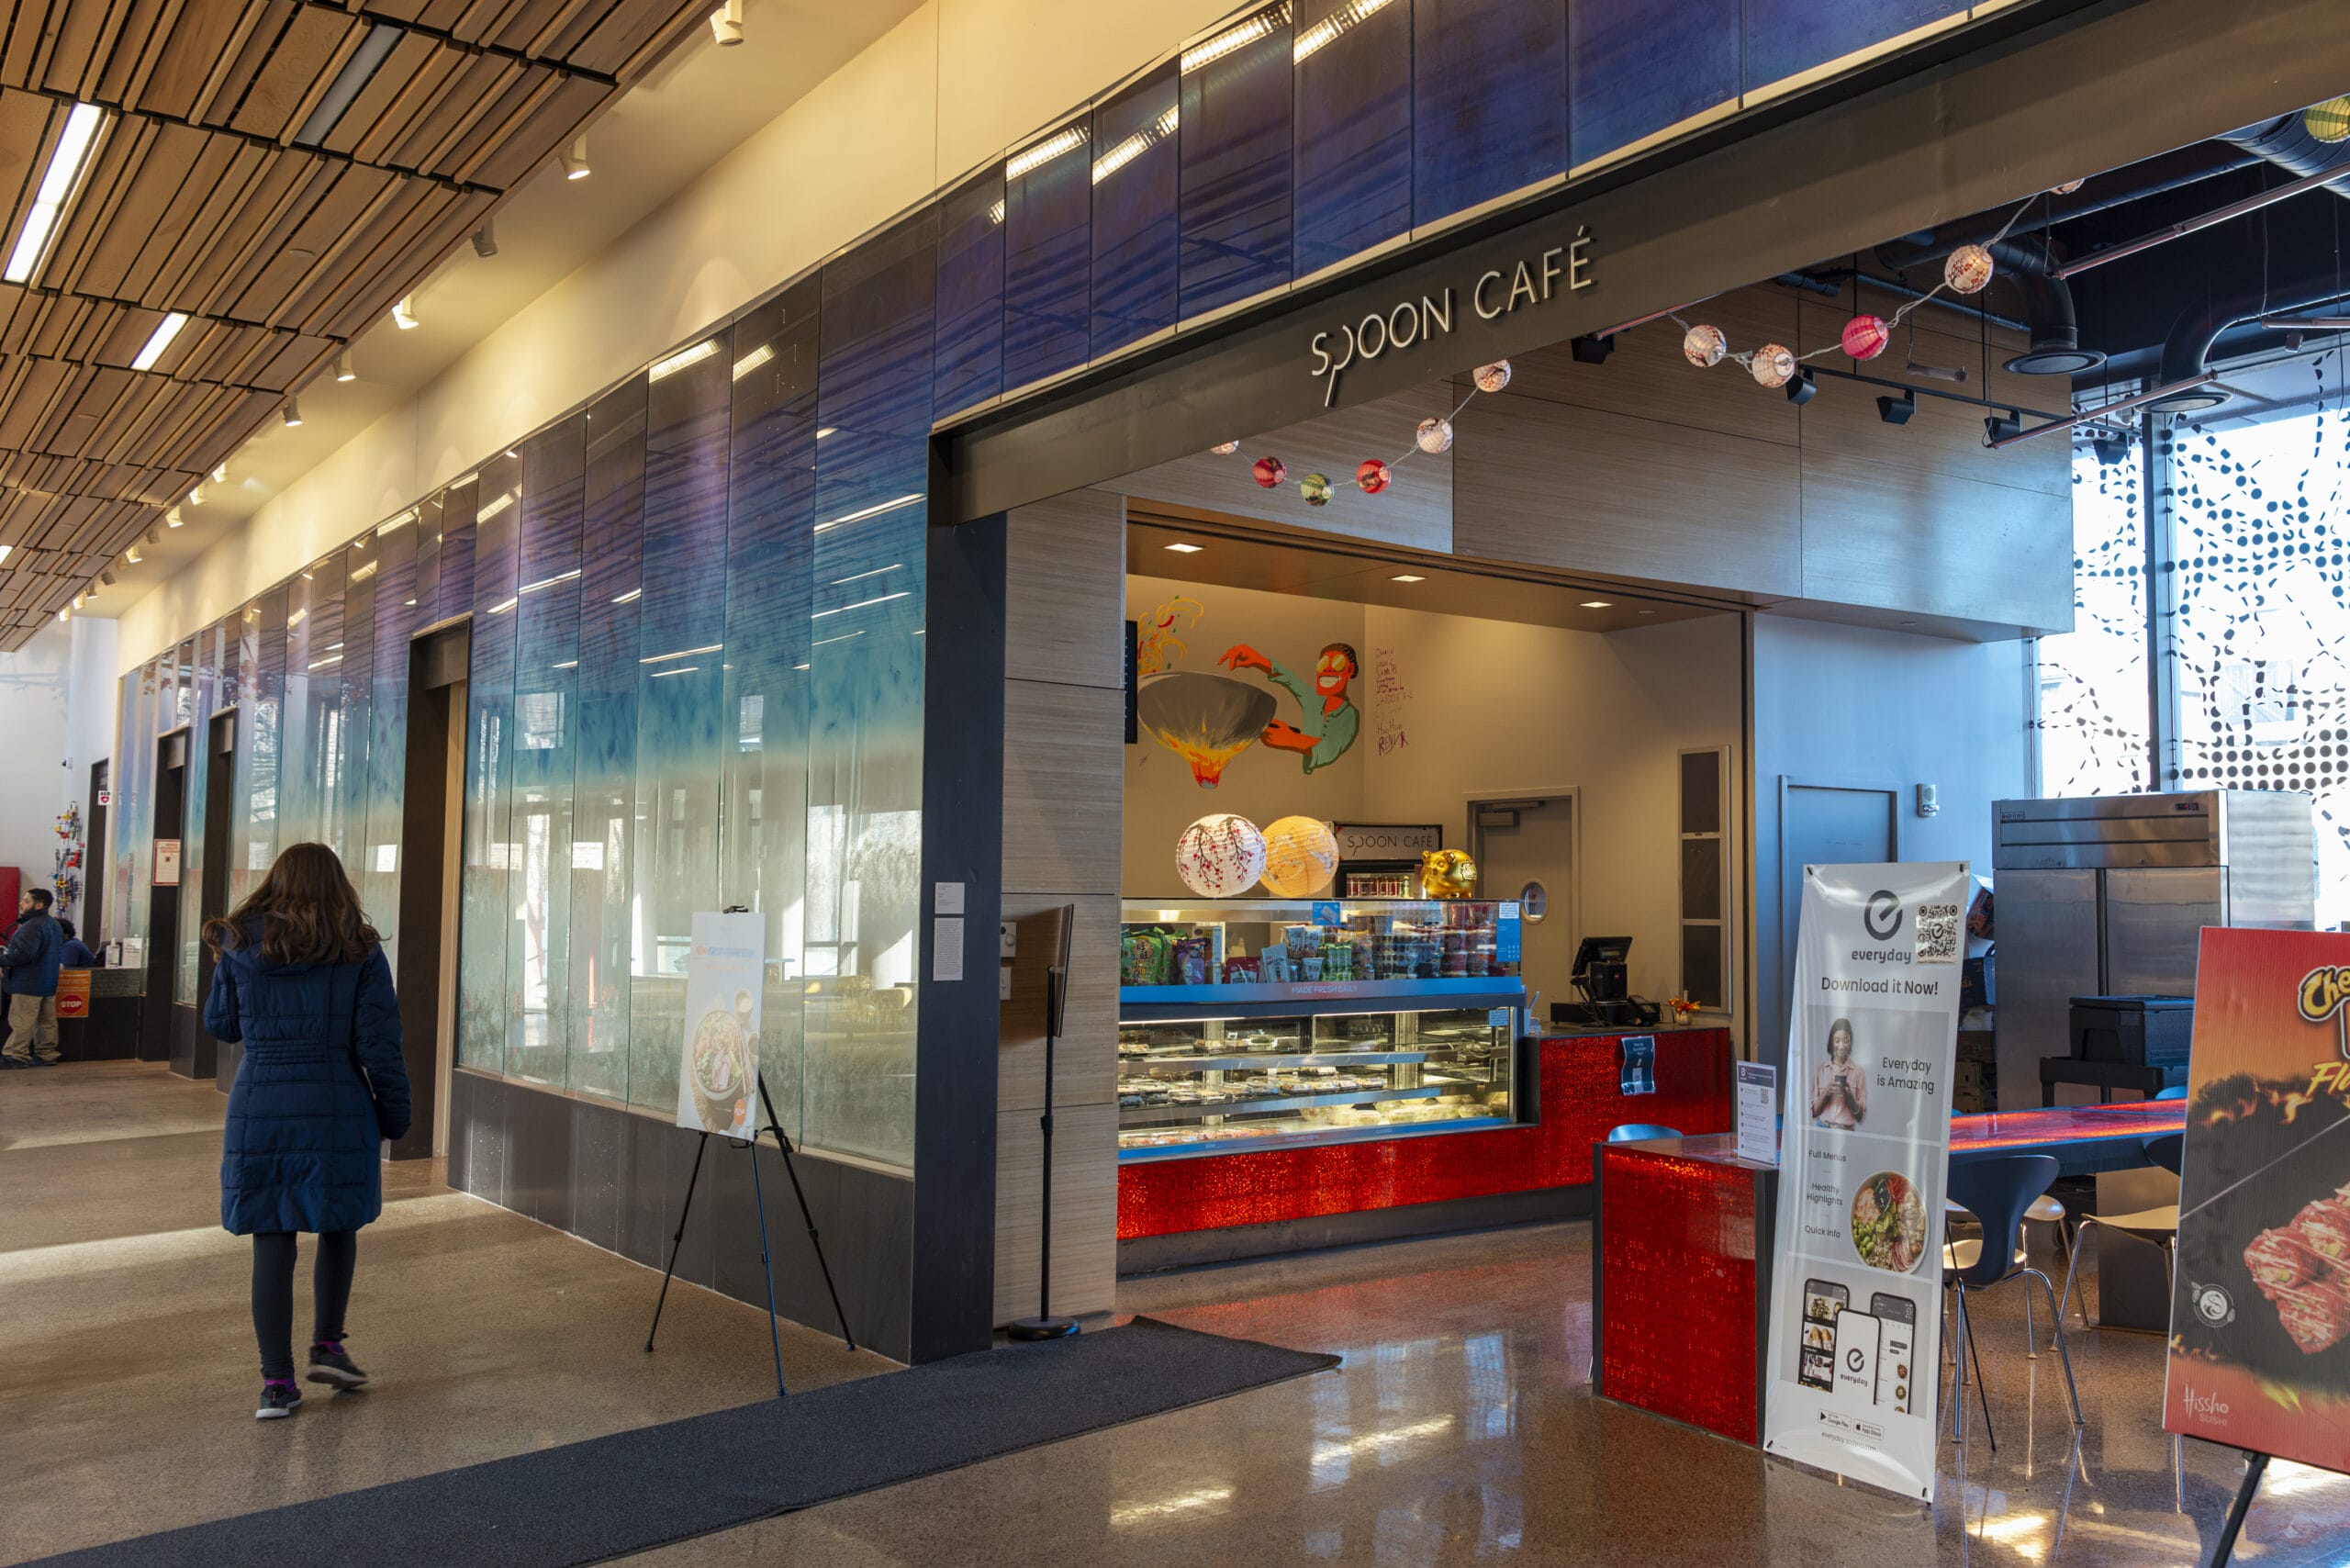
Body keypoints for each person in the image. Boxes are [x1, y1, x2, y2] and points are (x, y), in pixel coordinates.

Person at [204, 842, 410, 1421]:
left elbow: (221, 1026)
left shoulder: (239, 942)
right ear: (338, 885)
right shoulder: (358, 948)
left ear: (276, 882)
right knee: (337, 1223)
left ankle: (276, 1384)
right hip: (336, 1101)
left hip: (261, 1103)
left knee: (272, 1238)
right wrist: (395, 1116)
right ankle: (329, 1345)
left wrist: (232, 969)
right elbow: (379, 1045)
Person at [0, 887, 63, 1066]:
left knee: (22, 1020)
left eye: (26, 901)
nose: (21, 903)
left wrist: (2, 959)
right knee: (47, 1022)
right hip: (48, 982)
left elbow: (23, 955)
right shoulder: (53, 924)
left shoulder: (31, 926)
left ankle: (15, 1055)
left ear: (39, 905)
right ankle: (46, 1053)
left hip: (27, 982)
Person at [1809, 1015, 1868, 1130]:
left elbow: (1860, 1117)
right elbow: (1814, 1113)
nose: (1841, 1046)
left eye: (1846, 1041)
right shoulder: (1821, 1069)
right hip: (1822, 1127)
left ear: (1850, 1041)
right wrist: (1825, 1093)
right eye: (1837, 1041)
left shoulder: (1858, 1071)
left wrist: (1849, 1096)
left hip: (1846, 1131)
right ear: (1831, 1042)